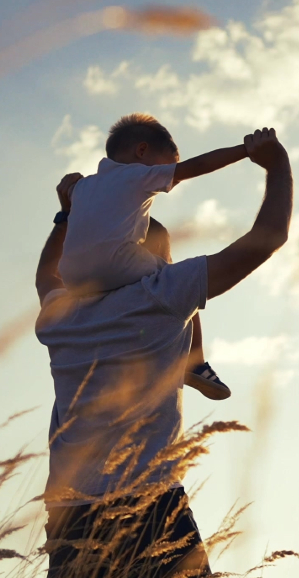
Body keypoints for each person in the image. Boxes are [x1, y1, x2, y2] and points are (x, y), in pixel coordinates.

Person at [33, 127, 293, 578]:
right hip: (150, 509)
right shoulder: (161, 295)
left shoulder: (55, 314)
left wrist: (70, 211)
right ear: (150, 257)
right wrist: (276, 165)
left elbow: (47, 268)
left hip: (71, 516)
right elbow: (267, 240)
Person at [57, 113, 248, 400]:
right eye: (168, 168)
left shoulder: (82, 187)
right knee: (180, 278)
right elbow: (199, 165)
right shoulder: (137, 175)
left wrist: (66, 199)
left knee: (151, 244)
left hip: (71, 277)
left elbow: (68, 189)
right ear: (142, 151)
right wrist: (246, 150)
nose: (173, 180)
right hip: (115, 262)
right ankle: (195, 363)